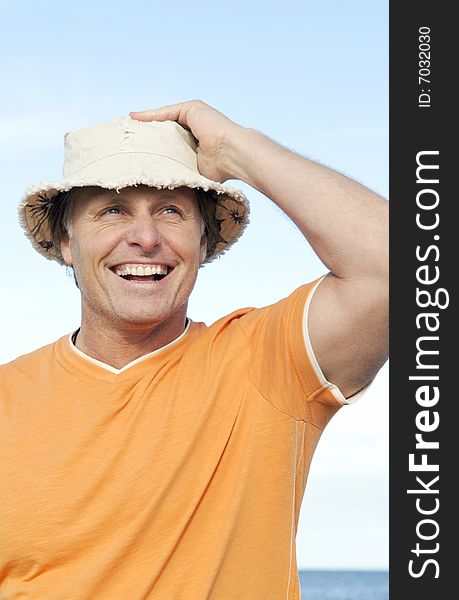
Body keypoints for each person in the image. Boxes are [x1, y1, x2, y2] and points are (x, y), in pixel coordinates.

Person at [1, 100, 388, 599]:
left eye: (171, 211)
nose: (145, 237)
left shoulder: (266, 363)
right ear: (66, 241)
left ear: (204, 242)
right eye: (112, 210)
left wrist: (237, 148)